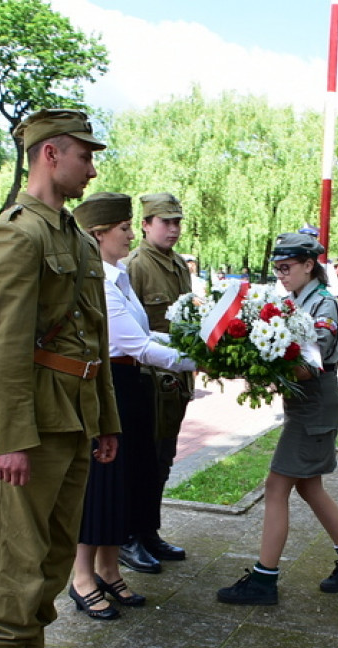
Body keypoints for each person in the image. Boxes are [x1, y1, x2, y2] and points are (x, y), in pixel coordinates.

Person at [0, 108, 120, 648]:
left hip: (76, 414)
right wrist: (8, 438)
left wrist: (107, 419)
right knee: (19, 550)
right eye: (85, 156)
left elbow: (96, 337)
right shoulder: (18, 233)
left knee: (57, 548)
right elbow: (2, 344)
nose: (92, 168)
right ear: (51, 154)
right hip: (31, 422)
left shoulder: (74, 237)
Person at [217, 232, 338, 605]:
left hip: (315, 404)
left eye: (287, 268)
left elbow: (307, 367)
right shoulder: (298, 300)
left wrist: (263, 369)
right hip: (306, 405)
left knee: (276, 487)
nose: (281, 275)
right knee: (309, 487)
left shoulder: (323, 305)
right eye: (277, 269)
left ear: (308, 265)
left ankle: (264, 580)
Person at [70, 192, 197, 620]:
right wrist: (203, 354)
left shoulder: (118, 276)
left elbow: (151, 334)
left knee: (123, 482)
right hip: (110, 386)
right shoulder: (96, 281)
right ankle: (81, 577)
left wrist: (198, 341)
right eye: (124, 228)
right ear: (98, 234)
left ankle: (107, 567)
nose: (130, 233)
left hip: (129, 388)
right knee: (101, 484)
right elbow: (135, 344)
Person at [121, 192, 194, 573]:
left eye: (177, 221)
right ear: (145, 224)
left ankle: (149, 530)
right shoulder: (135, 266)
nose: (174, 228)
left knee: (163, 459)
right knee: (141, 459)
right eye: (166, 222)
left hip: (174, 381)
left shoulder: (179, 265)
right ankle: (129, 536)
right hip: (146, 381)